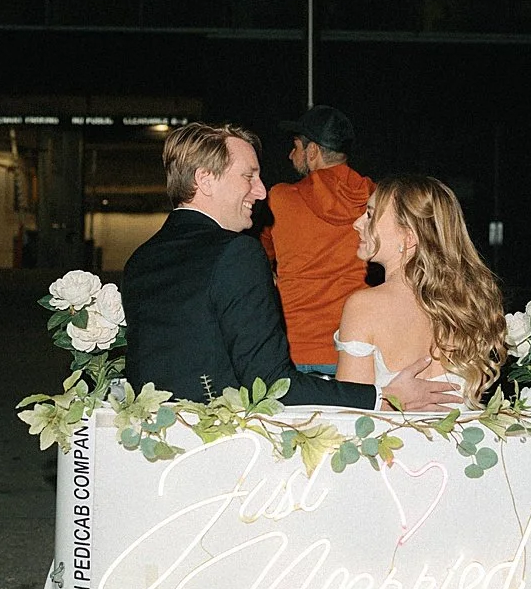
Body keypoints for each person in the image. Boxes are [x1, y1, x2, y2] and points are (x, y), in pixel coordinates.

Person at [121, 123, 454, 414]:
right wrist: (382, 397)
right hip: (227, 448)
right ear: (205, 180)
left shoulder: (141, 260)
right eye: (248, 176)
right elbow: (271, 385)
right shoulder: (236, 252)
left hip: (161, 443)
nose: (261, 191)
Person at [334, 174, 507, 405]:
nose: (357, 223)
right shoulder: (470, 304)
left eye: (370, 215)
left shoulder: (364, 306)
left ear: (409, 236)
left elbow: (350, 414)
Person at [259, 104, 375, 374]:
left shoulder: (279, 199)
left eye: (296, 147)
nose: (291, 155)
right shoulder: (374, 199)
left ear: (312, 151)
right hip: (356, 349)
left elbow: (259, 258)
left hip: (294, 350)